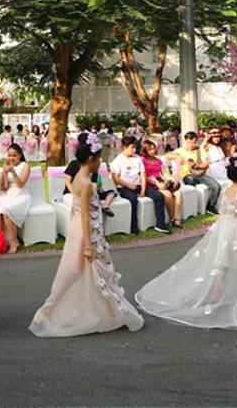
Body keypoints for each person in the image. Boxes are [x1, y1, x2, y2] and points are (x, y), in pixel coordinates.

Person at [136, 157, 237, 331]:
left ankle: (216, 295)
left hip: (223, 227)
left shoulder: (227, 189)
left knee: (223, 261)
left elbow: (224, 209)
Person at [30, 132, 143, 337]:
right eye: (99, 159)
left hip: (86, 229)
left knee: (89, 272)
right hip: (84, 232)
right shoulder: (84, 182)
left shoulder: (84, 179)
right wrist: (89, 243)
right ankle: (54, 311)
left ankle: (100, 309)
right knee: (81, 270)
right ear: (91, 160)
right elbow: (83, 214)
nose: (100, 163)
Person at [112, 137, 167, 234]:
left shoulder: (137, 158)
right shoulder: (118, 160)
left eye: (135, 148)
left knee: (159, 196)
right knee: (133, 199)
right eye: (132, 147)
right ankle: (134, 227)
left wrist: (143, 189)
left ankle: (160, 224)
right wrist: (129, 185)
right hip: (125, 187)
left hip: (138, 186)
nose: (134, 150)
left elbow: (142, 174)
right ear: (124, 147)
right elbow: (116, 178)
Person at [0, 144, 34, 253]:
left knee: (6, 210)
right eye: (9, 155)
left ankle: (14, 241)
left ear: (20, 155)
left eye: (14, 155)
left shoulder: (25, 166)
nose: (12, 158)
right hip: (9, 193)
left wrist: (13, 172)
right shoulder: (7, 166)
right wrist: (4, 172)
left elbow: (20, 184)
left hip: (22, 194)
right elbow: (6, 186)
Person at [167, 132, 220, 214]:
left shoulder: (200, 151)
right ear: (185, 141)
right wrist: (177, 157)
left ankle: (210, 206)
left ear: (196, 141)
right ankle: (192, 207)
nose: (191, 145)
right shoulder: (181, 150)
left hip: (200, 174)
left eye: (193, 142)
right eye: (189, 142)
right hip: (187, 175)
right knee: (191, 180)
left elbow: (206, 164)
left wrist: (196, 165)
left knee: (216, 186)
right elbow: (167, 155)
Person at [141, 140, 182, 229]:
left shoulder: (158, 160)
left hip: (162, 181)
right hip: (151, 183)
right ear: (145, 150)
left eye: (153, 149)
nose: (152, 151)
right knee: (168, 195)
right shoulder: (142, 160)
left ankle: (176, 218)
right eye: (149, 149)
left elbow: (164, 173)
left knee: (178, 193)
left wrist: (172, 179)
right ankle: (171, 219)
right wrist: (156, 183)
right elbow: (144, 176)